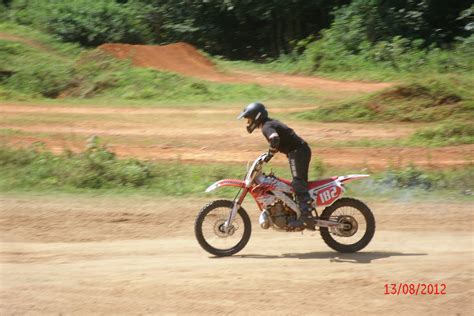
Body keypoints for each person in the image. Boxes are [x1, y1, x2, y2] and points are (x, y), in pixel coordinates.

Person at [238, 102, 314, 229]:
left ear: (256, 117)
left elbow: (275, 139)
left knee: (298, 183)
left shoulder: (266, 126)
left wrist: (270, 154)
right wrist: (268, 155)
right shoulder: (268, 123)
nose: (248, 122)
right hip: (297, 152)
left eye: (249, 119)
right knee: (294, 183)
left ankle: (306, 217)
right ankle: (294, 210)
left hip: (298, 152)